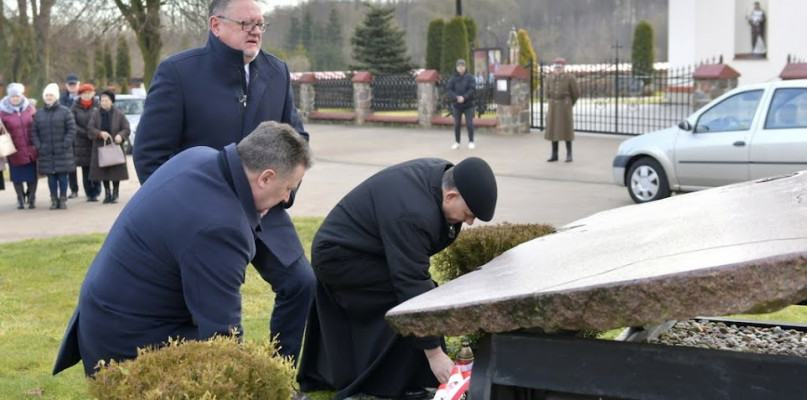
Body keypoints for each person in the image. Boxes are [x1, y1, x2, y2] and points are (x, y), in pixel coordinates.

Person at [52, 121, 313, 376]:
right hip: (129, 349)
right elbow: (222, 338)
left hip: (104, 321)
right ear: (266, 178)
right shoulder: (221, 227)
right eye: (288, 187)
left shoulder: (199, 156)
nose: (287, 198)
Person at [133, 0, 313, 362]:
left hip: (264, 210)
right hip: (197, 218)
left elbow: (297, 141)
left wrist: (281, 197)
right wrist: (178, 214)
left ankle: (279, 375)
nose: (256, 30)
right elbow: (150, 155)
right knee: (204, 306)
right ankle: (206, 377)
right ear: (216, 25)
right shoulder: (178, 73)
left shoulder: (276, 72)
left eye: (261, 23)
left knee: (301, 283)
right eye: (246, 22)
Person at [297, 157, 498, 400]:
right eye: (468, 214)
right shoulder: (414, 214)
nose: (469, 222)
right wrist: (434, 354)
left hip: (368, 249)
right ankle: (385, 383)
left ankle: (410, 378)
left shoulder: (443, 178)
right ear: (451, 196)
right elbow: (410, 282)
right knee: (407, 302)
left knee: (420, 295)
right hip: (341, 258)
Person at [31, 83, 76, 210]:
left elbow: (72, 129)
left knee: (62, 176)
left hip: (62, 151)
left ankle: (62, 199)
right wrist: (39, 146)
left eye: (51, 95)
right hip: (46, 152)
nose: (49, 97)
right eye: (46, 95)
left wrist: (65, 144)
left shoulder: (65, 112)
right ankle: (53, 199)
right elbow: (34, 132)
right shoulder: (39, 114)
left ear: (56, 97)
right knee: (51, 178)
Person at [0, 83, 38, 209]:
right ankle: (20, 198)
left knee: (32, 176)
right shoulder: (2, 112)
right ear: (9, 97)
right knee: (17, 177)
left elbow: (37, 125)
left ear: (21, 96)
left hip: (31, 148)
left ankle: (31, 197)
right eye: (13, 96)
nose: (15, 98)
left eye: (17, 96)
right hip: (14, 150)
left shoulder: (30, 109)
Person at [88, 90, 130, 204]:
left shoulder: (119, 114)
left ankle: (115, 193)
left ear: (111, 102)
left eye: (106, 100)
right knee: (103, 171)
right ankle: (107, 193)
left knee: (116, 171)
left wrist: (120, 136)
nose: (104, 103)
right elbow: (90, 128)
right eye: (102, 100)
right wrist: (100, 133)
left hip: (115, 147)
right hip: (101, 147)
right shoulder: (96, 115)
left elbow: (126, 128)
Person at [71, 83, 102, 202]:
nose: (86, 95)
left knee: (96, 167)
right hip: (81, 142)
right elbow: (72, 124)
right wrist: (86, 133)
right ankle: (89, 192)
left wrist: (94, 132)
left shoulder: (98, 106)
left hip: (96, 140)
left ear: (93, 94)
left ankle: (97, 190)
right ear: (80, 95)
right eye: (84, 93)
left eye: (89, 93)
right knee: (86, 169)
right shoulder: (75, 107)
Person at [545, 58, 580, 162]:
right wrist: (551, 101)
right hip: (553, 107)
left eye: (559, 67)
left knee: (567, 130)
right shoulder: (550, 78)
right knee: (553, 131)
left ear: (563, 68)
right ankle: (554, 154)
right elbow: (546, 92)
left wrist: (569, 103)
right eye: (556, 67)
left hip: (565, 106)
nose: (557, 69)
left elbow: (576, 93)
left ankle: (569, 154)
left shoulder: (570, 78)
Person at [60, 73, 81, 198]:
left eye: (74, 84)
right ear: (67, 85)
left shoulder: (85, 96)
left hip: (83, 135)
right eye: (70, 84)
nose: (72, 86)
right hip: (68, 136)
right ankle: (74, 189)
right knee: (70, 166)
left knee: (87, 166)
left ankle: (92, 190)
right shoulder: (62, 99)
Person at [447, 59, 476, 150]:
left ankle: (471, 141)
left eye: (462, 66)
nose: (460, 67)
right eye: (459, 66)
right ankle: (457, 142)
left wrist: (464, 97)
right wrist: (456, 97)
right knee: (457, 124)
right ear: (456, 67)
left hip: (468, 104)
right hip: (456, 105)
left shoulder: (470, 77)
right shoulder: (453, 78)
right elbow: (449, 89)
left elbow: (472, 89)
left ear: (465, 67)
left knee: (469, 123)